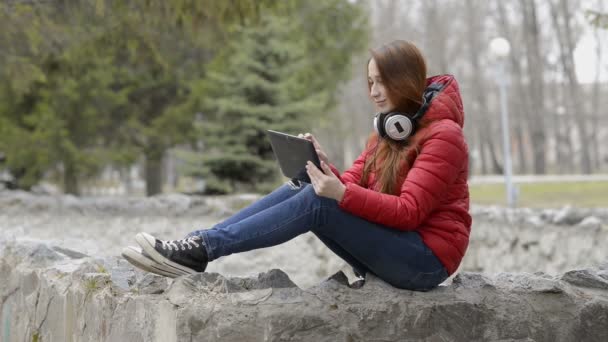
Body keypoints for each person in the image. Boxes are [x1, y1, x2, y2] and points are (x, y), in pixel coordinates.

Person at [122, 40, 471, 291]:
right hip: (397, 246)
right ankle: (198, 243)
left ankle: (203, 249)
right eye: (370, 82)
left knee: (320, 202)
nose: (375, 92)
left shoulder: (444, 136)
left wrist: (338, 192)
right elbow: (352, 185)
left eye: (382, 81)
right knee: (308, 179)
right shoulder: (387, 130)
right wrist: (323, 166)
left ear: (405, 82)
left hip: (425, 261)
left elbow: (408, 212)